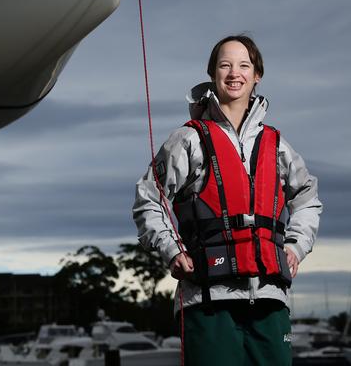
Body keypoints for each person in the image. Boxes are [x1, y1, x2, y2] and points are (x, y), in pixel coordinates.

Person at [133, 35, 322, 365]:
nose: (235, 73)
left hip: (270, 300)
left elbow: (307, 198)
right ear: (212, 73)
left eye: (244, 65)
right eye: (225, 65)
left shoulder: (276, 146)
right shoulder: (189, 140)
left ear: (257, 74)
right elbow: (150, 197)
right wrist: (171, 250)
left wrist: (295, 247)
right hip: (207, 301)